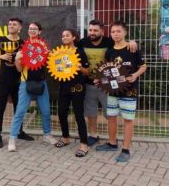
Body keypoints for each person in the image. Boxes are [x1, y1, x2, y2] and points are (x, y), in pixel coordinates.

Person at [77, 20, 137, 146]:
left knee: (110, 113)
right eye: (90, 30)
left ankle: (113, 139)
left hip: (107, 84)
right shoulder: (82, 42)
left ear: (102, 32)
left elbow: (122, 45)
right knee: (90, 111)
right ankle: (93, 135)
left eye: (95, 30)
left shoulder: (109, 42)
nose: (92, 33)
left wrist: (132, 42)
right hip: (88, 83)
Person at [95, 21, 147, 162]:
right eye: (113, 32)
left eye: (118, 31)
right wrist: (99, 80)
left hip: (129, 91)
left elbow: (143, 66)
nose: (115, 34)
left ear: (125, 32)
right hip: (113, 91)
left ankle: (125, 149)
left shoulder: (132, 48)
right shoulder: (110, 51)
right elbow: (106, 70)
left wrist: (135, 75)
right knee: (111, 117)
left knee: (128, 120)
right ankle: (112, 143)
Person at [8, 22, 57, 152]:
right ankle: (12, 138)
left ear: (39, 31)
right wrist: (18, 60)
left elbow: (52, 65)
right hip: (25, 83)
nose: (32, 31)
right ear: (28, 31)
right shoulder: (23, 48)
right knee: (20, 111)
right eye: (30, 29)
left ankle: (47, 135)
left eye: (35, 29)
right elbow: (19, 70)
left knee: (46, 111)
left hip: (41, 83)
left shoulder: (45, 48)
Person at [0, 17, 34, 148]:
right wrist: (0, 56)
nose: (11, 26)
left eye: (14, 24)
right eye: (9, 24)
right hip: (1, 80)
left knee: (19, 108)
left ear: (20, 28)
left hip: (18, 80)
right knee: (0, 108)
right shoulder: (0, 40)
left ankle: (20, 131)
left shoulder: (23, 43)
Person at [54, 29, 89, 157]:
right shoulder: (59, 53)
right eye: (63, 35)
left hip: (78, 88)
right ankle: (65, 137)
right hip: (63, 87)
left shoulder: (80, 52)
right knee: (62, 112)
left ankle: (84, 144)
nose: (64, 37)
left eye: (67, 35)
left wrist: (79, 67)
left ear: (74, 37)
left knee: (79, 115)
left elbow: (87, 72)